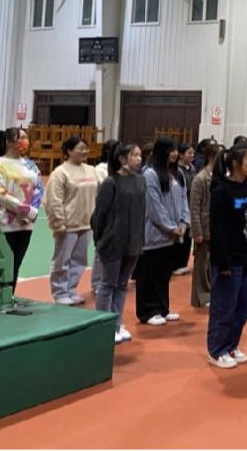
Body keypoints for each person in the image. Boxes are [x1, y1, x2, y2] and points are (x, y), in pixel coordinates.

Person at [207, 143, 247, 369]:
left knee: (244, 305)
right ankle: (217, 349)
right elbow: (218, 230)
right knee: (224, 307)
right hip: (229, 260)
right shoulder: (221, 192)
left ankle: (231, 344)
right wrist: (223, 262)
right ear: (235, 163)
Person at [91, 143, 145, 343]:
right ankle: (103, 326)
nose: (139, 159)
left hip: (133, 242)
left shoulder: (140, 181)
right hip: (113, 242)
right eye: (134, 155)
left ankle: (116, 323)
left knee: (122, 285)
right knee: (108, 284)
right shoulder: (110, 183)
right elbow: (99, 215)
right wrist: (101, 240)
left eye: (140, 155)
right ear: (122, 159)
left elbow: (142, 212)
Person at [134, 138, 189, 325]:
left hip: (173, 235)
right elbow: (154, 206)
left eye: (175, 150)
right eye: (170, 150)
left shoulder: (178, 174)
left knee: (164, 275)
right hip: (154, 235)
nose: (174, 153)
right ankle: (147, 311)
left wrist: (184, 222)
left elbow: (184, 200)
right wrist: (171, 227)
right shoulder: (150, 174)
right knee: (148, 274)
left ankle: (162, 308)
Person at [0, 127, 44, 292]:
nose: (25, 141)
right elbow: (0, 194)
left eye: (26, 137)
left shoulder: (31, 165)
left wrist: (30, 213)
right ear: (9, 141)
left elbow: (39, 189)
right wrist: (26, 211)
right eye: (20, 137)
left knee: (15, 265)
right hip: (2, 223)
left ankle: (9, 297)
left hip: (25, 224)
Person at [45, 136, 99, 305]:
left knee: (79, 260)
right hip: (67, 225)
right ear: (69, 151)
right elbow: (54, 200)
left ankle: (71, 290)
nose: (84, 151)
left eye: (86, 148)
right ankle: (60, 292)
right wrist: (58, 222)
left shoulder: (91, 170)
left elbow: (98, 194)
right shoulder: (60, 173)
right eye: (80, 148)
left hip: (87, 223)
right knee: (62, 260)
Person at [189, 142, 222, 308]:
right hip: (203, 226)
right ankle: (201, 296)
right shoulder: (200, 179)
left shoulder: (219, 177)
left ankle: (210, 292)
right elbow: (194, 206)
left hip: (216, 227)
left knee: (211, 264)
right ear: (211, 157)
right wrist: (197, 231)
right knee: (201, 264)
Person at [91, 139, 119, 295]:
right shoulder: (100, 170)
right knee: (101, 250)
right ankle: (97, 282)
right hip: (103, 212)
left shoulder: (122, 172)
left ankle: (110, 280)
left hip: (117, 215)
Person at [173, 143, 196, 275]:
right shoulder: (177, 170)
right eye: (189, 153)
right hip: (181, 205)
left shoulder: (193, 168)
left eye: (193, 153)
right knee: (180, 235)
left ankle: (183, 263)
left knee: (188, 237)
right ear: (181, 155)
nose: (192, 155)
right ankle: (175, 264)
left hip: (191, 205)